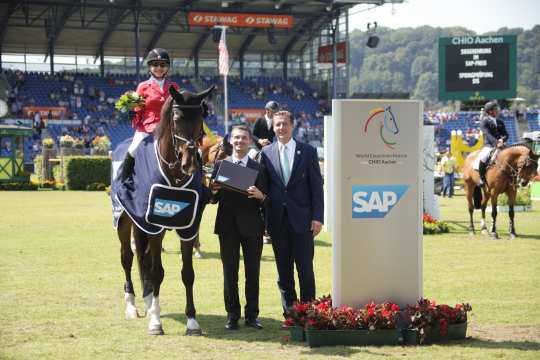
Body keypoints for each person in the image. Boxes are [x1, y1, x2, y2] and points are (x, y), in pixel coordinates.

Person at [259, 110, 324, 315]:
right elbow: (262, 188)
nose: (281, 128)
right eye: (277, 124)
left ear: (292, 125)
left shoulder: (307, 152)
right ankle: (290, 313)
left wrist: (317, 217)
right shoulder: (266, 153)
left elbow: (317, 188)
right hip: (277, 223)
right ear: (273, 127)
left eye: (284, 124)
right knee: (284, 272)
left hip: (303, 221)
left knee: (305, 270)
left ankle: (309, 313)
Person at [210, 125, 267, 330]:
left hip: (252, 227)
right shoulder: (220, 165)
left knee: (253, 272)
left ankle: (252, 316)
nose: (240, 141)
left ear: (249, 140)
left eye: (243, 138)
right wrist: (213, 191)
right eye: (236, 138)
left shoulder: (259, 168)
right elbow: (212, 198)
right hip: (227, 227)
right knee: (229, 273)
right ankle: (232, 315)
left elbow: (267, 198)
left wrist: (261, 196)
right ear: (230, 140)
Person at [119, 48, 179, 182]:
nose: (159, 68)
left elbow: (177, 108)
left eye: (162, 65)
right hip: (148, 126)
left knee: (190, 149)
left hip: (169, 127)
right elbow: (138, 108)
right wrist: (132, 112)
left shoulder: (173, 86)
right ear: (150, 67)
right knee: (133, 149)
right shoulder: (143, 86)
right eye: (155, 65)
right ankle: (124, 181)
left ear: (167, 67)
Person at [477, 101, 508, 185]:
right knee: (483, 157)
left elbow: (505, 134)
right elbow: (488, 134)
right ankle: (481, 178)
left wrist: (503, 140)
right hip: (489, 145)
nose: (498, 110)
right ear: (490, 111)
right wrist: (496, 143)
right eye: (496, 109)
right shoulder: (484, 121)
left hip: (501, 145)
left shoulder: (500, 121)